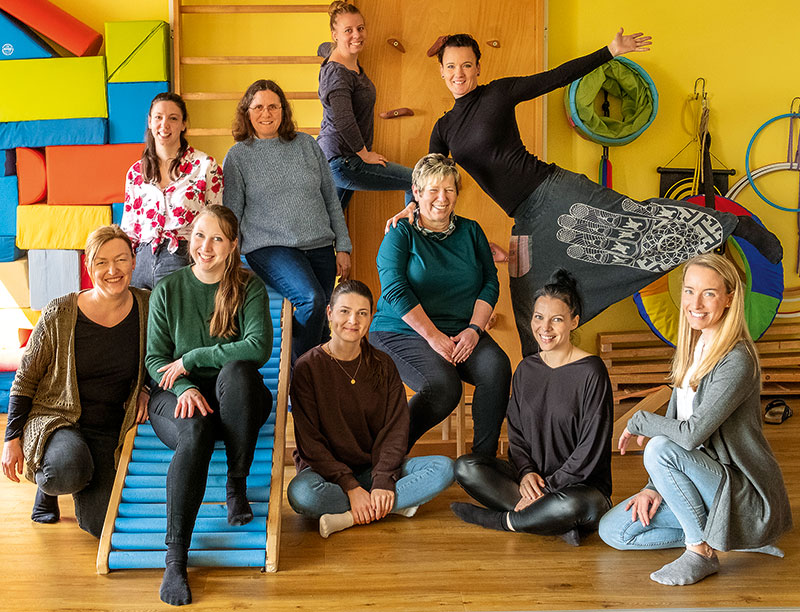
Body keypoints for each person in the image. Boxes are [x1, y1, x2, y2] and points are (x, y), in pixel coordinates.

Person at [388, 32, 782, 357]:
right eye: (451, 67)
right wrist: (409, 206)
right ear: (442, 72)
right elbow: (428, 179)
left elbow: (556, 77)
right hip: (524, 219)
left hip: (554, 190)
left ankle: (734, 224)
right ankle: (537, 383)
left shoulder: (498, 95)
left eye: (467, 65)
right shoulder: (443, 129)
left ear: (478, 67)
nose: (460, 73)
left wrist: (610, 51)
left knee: (635, 222)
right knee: (528, 300)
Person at [598, 253, 792, 585]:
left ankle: (701, 550)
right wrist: (652, 487)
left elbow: (688, 435)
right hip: (699, 481)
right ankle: (732, 538)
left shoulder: (737, 360)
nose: (695, 302)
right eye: (689, 291)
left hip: (738, 487)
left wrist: (639, 421)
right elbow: (679, 425)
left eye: (709, 293)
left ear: (729, 299)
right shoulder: (693, 348)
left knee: (658, 447)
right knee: (614, 530)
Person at [145, 205, 273, 606]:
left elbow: (258, 347)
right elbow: (154, 360)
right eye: (200, 236)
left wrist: (193, 358)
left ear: (233, 245)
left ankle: (236, 482)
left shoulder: (249, 287)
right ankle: (175, 559)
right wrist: (183, 385)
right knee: (196, 429)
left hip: (234, 400)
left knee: (237, 372)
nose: (206, 246)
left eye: (217, 238)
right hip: (177, 398)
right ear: (188, 239)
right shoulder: (168, 289)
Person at [1, 225, 149, 537]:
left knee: (100, 526)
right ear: (88, 266)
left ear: (134, 261)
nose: (112, 270)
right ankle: (51, 480)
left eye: (121, 260)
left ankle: (77, 466)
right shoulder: (60, 312)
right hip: (57, 420)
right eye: (101, 262)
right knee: (66, 469)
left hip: (109, 428)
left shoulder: (148, 307)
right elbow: (25, 378)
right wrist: (11, 439)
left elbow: (163, 356)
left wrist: (147, 389)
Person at [451, 269, 613, 546]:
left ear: (574, 322)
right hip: (533, 480)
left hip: (579, 489)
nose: (544, 328)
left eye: (557, 320)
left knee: (574, 506)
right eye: (539, 317)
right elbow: (517, 433)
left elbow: (590, 448)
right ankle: (552, 522)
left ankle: (505, 521)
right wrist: (526, 473)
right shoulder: (526, 369)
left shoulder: (592, 372)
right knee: (466, 467)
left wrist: (549, 487)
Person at [287, 279, 454, 538]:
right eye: (344, 311)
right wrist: (350, 487)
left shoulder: (383, 364)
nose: (353, 320)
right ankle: (389, 506)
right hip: (326, 475)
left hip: (373, 468)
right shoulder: (308, 367)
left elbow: (396, 429)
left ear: (371, 317)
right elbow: (310, 444)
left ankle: (351, 517)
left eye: (362, 313)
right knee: (302, 495)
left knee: (444, 469)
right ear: (330, 313)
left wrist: (383, 479)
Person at [370, 154, 511, 457]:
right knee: (444, 387)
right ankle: (384, 458)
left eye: (449, 190)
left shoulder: (471, 231)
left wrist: (475, 330)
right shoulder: (400, 233)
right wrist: (433, 336)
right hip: (401, 331)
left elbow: (490, 282)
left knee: (497, 368)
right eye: (433, 190)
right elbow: (395, 291)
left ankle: (481, 464)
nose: (442, 198)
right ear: (417, 193)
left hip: (460, 330)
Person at [224, 79, 352, 363]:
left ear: (283, 111)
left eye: (273, 106)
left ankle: (310, 396)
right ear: (247, 112)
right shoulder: (238, 156)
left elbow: (331, 198)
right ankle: (300, 372)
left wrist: (343, 244)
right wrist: (228, 260)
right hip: (270, 248)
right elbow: (231, 212)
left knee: (322, 323)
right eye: (258, 107)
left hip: (319, 244)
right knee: (312, 300)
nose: (266, 113)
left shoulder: (306, 144)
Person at [316, 1, 414, 210]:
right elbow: (344, 120)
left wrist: (323, 48)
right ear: (335, 34)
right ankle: (411, 240)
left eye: (360, 28)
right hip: (345, 161)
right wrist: (364, 154)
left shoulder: (341, 57)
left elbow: (323, 49)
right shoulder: (338, 75)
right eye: (348, 31)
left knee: (332, 224)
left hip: (338, 157)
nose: (357, 35)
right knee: (416, 182)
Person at [121, 92, 224, 290]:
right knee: (141, 320)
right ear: (150, 122)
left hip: (184, 257)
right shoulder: (135, 172)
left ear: (184, 124)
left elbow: (216, 223)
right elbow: (129, 229)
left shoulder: (206, 167)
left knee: (175, 319)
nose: (164, 125)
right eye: (158, 117)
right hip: (141, 260)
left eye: (173, 118)